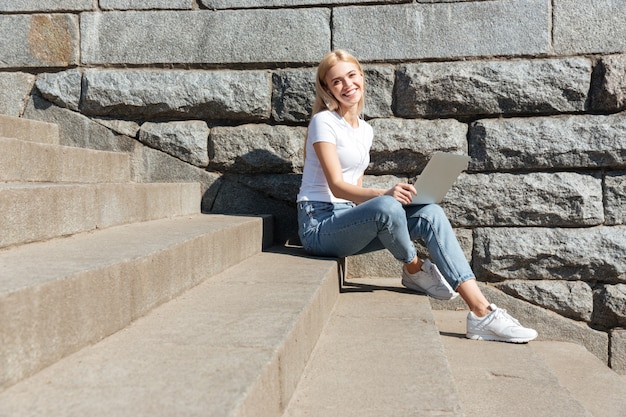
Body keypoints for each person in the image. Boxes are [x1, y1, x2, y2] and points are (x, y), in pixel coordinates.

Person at [296, 49, 538, 344]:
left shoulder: (365, 130)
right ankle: (414, 268)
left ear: (361, 76)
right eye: (336, 82)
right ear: (326, 89)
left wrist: (391, 202)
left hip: (347, 221)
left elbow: (355, 190)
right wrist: (385, 196)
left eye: (351, 75)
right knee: (385, 204)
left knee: (430, 213)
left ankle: (481, 313)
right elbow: (336, 186)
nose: (347, 85)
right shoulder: (323, 122)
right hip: (319, 226)